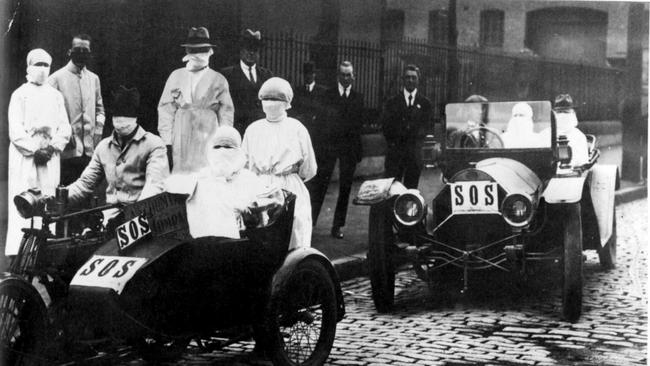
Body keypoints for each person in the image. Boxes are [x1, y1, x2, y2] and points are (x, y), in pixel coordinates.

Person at [6, 49, 71, 256]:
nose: (42, 70)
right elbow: (15, 130)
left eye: (46, 65)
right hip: (26, 156)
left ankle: (45, 249)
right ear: (29, 66)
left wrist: (52, 148)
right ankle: (19, 249)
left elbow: (65, 128)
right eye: (38, 65)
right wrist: (34, 150)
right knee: (25, 197)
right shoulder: (19, 94)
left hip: (50, 155)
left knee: (48, 197)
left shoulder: (56, 96)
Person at [165, 126, 278, 239]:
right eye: (217, 147)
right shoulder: (202, 178)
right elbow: (172, 187)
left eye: (228, 147)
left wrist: (248, 209)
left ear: (238, 151)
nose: (222, 151)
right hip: (205, 242)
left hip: (242, 242)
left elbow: (271, 202)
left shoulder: (248, 178)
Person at [67, 86, 169, 212]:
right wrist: (58, 199)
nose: (122, 120)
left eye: (126, 115)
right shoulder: (103, 147)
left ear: (136, 118)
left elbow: (155, 185)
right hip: (110, 216)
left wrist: (135, 214)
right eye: (117, 115)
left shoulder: (154, 144)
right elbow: (85, 184)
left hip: (143, 216)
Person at [242, 77, 316, 249]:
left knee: (269, 233)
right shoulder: (297, 128)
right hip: (286, 186)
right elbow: (309, 168)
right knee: (293, 233)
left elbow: (244, 165)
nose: (270, 103)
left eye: (274, 99)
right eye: (267, 99)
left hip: (263, 186)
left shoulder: (253, 129)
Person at [158, 26, 234, 173]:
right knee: (182, 174)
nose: (198, 55)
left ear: (210, 51)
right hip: (181, 133)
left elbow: (226, 113)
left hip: (208, 131)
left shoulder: (219, 80)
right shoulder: (176, 76)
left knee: (206, 173)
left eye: (202, 50)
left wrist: (224, 142)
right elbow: (165, 109)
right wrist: (167, 141)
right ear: (187, 51)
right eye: (194, 50)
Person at [308, 61, 364, 239]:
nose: (346, 78)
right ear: (338, 75)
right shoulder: (328, 95)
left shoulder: (358, 97)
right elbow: (320, 124)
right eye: (343, 74)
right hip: (329, 147)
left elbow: (358, 127)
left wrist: (357, 151)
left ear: (353, 76)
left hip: (348, 149)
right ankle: (311, 222)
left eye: (349, 75)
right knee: (320, 186)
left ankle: (338, 225)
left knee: (346, 188)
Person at [48, 34, 106, 185]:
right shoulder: (55, 78)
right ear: (69, 51)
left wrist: (97, 133)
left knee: (86, 195)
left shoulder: (94, 78)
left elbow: (100, 110)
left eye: (85, 50)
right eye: (77, 49)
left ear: (90, 53)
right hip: (67, 152)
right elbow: (49, 116)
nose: (81, 53)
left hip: (89, 150)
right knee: (66, 196)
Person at [380, 64, 433, 189]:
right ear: (402, 79)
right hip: (395, 156)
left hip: (414, 156)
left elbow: (427, 126)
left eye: (413, 77)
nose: (410, 80)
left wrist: (416, 141)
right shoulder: (392, 102)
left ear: (418, 80)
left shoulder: (425, 104)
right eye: (407, 77)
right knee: (393, 191)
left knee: (411, 193)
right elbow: (386, 127)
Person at [221, 29, 273, 135]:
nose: (251, 52)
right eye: (248, 48)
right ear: (241, 50)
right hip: (238, 131)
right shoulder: (227, 74)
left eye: (255, 49)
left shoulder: (267, 75)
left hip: (261, 131)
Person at [290, 61, 326, 143]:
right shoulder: (298, 91)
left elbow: (323, 110)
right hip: (302, 129)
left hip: (317, 131)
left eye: (311, 73)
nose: (308, 76)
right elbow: (293, 109)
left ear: (315, 74)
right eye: (306, 73)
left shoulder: (322, 91)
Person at [550, 94, 589, 165]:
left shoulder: (579, 136)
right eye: (559, 112)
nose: (562, 115)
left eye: (566, 112)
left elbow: (582, 164)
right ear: (554, 114)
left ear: (573, 113)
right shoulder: (546, 134)